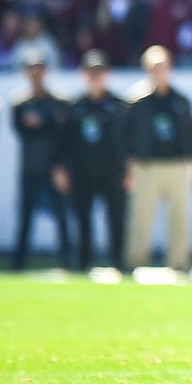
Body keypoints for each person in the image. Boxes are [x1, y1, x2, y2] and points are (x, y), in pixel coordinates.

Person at [123, 46, 192, 271]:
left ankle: (179, 263)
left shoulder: (180, 100)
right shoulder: (137, 101)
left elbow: (191, 134)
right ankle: (136, 262)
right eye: (154, 68)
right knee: (141, 217)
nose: (160, 72)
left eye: (163, 67)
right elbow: (127, 136)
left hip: (177, 165)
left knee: (179, 218)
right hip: (146, 165)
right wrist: (129, 167)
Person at [54, 50, 129, 271]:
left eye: (100, 72)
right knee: (82, 219)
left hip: (112, 171)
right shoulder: (74, 106)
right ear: (83, 75)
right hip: (82, 171)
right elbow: (63, 141)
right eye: (90, 72)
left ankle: (119, 262)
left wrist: (130, 170)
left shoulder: (119, 105)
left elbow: (129, 141)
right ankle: (85, 263)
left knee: (116, 218)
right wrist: (61, 168)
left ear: (107, 74)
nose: (95, 77)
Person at [11, 49, 72, 270]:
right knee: (25, 216)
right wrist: (46, 123)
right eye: (32, 70)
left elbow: (62, 134)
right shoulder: (20, 103)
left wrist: (62, 167)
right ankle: (19, 261)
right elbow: (21, 130)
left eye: (40, 70)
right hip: (30, 167)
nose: (36, 75)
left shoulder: (59, 101)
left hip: (53, 167)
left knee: (62, 215)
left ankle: (67, 261)